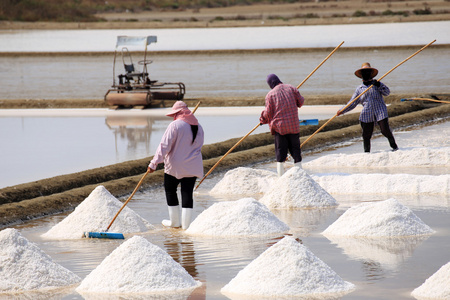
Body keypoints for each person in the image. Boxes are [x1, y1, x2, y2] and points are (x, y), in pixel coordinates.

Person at [147, 101, 204, 230]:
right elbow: (198, 147)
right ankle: (186, 226)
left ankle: (174, 222)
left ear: (177, 113)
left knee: (170, 191)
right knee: (187, 193)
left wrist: (154, 163)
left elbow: (164, 146)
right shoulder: (198, 126)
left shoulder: (175, 125)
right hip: (193, 166)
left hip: (175, 167)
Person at [337, 62, 398, 153]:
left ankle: (395, 147)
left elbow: (387, 93)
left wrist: (379, 85)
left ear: (371, 74)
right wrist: (342, 110)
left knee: (385, 130)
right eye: (364, 72)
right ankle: (366, 152)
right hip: (367, 112)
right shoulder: (360, 89)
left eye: (368, 72)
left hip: (380, 110)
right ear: (361, 75)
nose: (366, 74)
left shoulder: (377, 84)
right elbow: (352, 103)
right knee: (366, 135)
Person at [259, 74, 304, 176]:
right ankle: (300, 175)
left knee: (280, 152)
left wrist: (262, 120)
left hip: (280, 128)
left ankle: (280, 176)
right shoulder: (292, 88)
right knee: (296, 151)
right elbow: (300, 102)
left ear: (271, 83)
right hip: (293, 126)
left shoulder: (270, 95)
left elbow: (268, 113)